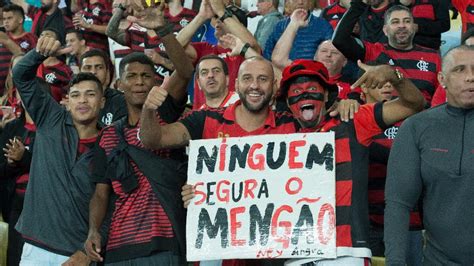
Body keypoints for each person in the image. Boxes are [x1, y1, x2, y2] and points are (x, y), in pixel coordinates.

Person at [278, 58, 424, 265]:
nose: (305, 94)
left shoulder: (353, 120)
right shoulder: (278, 134)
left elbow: (414, 104)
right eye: (295, 92)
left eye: (312, 87)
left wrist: (394, 76)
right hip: (296, 254)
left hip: (347, 253)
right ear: (287, 102)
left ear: (327, 94)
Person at [84, 2, 194, 264]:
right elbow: (101, 192)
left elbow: (186, 70)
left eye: (146, 76)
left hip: (164, 245)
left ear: (156, 82)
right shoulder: (108, 136)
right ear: (119, 84)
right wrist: (93, 230)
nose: (139, 81)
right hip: (119, 248)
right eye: (131, 76)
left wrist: (163, 30)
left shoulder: (165, 116)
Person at [12, 33, 105, 265]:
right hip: (36, 247)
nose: (82, 100)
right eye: (75, 95)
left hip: (79, 254)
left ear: (102, 102)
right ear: (67, 101)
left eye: (90, 94)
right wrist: (39, 53)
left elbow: (112, 202)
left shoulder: (111, 143)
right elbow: (21, 75)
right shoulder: (50, 117)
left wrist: (85, 253)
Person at [384, 44, 474, 265]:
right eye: (460, 70)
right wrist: (395, 262)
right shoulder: (417, 128)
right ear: (442, 79)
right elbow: (398, 204)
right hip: (438, 260)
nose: (470, 77)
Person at [333, 4, 441, 105]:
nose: (402, 26)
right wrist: (358, 5)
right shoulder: (373, 51)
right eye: (395, 22)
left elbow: (441, 97)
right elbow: (339, 40)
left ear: (414, 27)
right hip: (383, 121)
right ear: (385, 30)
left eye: (407, 21)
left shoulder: (433, 56)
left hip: (421, 119)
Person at [176, 0, 260, 109]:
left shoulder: (245, 53)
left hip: (232, 120)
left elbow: (252, 45)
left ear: (240, 27)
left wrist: (221, 11)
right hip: (201, 120)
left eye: (226, 19)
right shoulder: (205, 49)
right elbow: (175, 47)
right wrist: (201, 16)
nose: (219, 21)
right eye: (216, 17)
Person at [264, 0, 333, 67]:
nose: (300, 2)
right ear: (288, 2)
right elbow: (267, 56)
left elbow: (331, 54)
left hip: (312, 75)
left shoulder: (323, 25)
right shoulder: (279, 26)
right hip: (283, 74)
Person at [79, 49, 128, 125]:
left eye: (99, 67)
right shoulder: (73, 102)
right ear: (79, 73)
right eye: (88, 68)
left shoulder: (121, 101)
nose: (93, 72)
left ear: (107, 72)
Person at [0, 4, 37, 95]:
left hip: (19, 91)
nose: (6, 22)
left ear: (20, 20)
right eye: (4, 19)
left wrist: (8, 42)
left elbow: (30, 64)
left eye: (9, 18)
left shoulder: (31, 39)